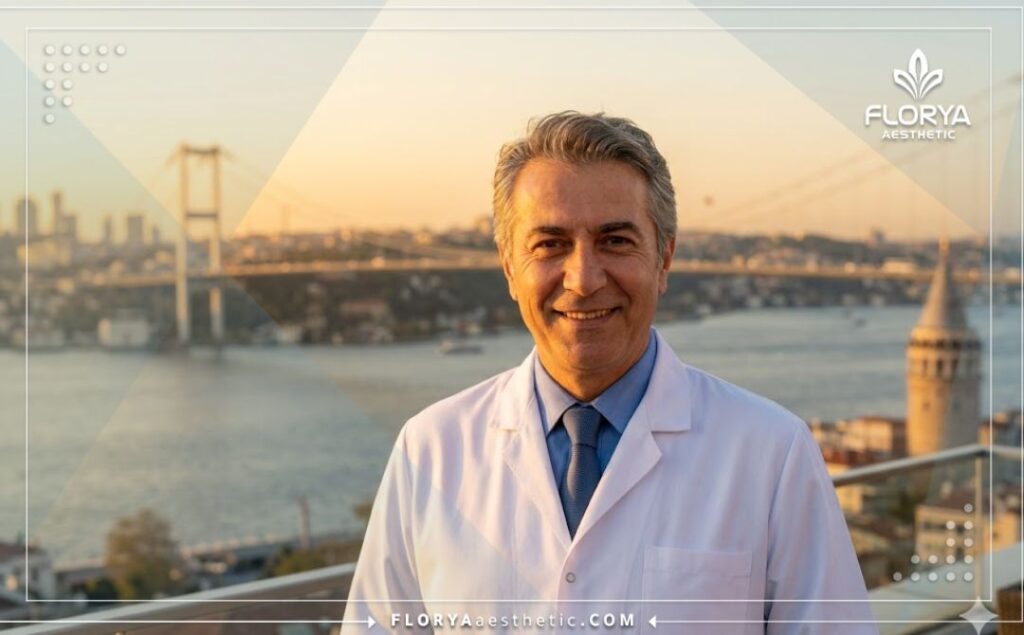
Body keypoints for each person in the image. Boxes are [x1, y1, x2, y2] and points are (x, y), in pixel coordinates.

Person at [342, 112, 877, 634]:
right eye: (550, 244)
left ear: (664, 260)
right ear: (509, 266)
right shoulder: (428, 451)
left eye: (615, 241)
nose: (583, 278)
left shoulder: (773, 453)